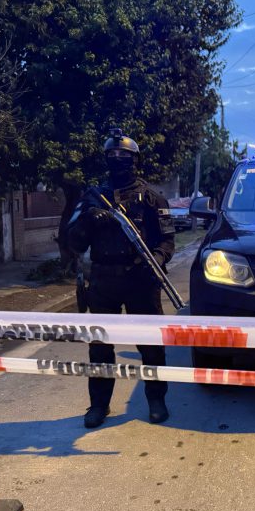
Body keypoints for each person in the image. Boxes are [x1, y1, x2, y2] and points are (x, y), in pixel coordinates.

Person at [67, 129, 175, 428]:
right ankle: (99, 405)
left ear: (134, 160)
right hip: (103, 281)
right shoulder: (92, 197)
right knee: (100, 347)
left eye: (124, 155)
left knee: (151, 346)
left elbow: (167, 241)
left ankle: (156, 400)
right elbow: (73, 243)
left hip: (141, 280)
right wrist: (88, 220)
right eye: (112, 154)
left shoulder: (152, 198)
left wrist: (157, 260)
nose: (118, 159)